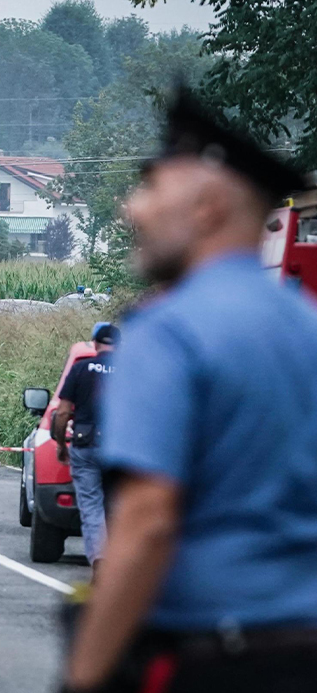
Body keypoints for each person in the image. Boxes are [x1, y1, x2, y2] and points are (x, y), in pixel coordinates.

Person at [61, 91, 315, 693]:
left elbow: (148, 520)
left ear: (206, 207)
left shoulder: (168, 331)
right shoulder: (306, 327)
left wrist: (84, 675)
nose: (132, 210)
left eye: (151, 191)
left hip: (212, 661)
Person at [52, 322, 120, 574]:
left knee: (91, 506)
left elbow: (62, 412)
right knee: (117, 505)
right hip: (120, 448)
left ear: (94, 344)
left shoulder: (81, 369)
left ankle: (100, 559)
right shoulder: (132, 370)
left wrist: (61, 443)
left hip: (86, 444)